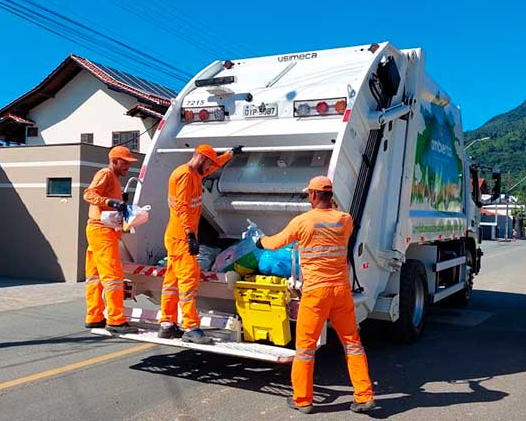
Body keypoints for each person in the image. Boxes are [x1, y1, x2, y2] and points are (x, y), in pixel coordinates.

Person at [256, 176, 375, 414]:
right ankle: (364, 396)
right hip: (340, 291)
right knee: (352, 343)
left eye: (308, 194)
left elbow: (276, 243)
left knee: (305, 347)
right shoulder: (345, 219)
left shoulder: (303, 221)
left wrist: (260, 241)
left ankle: (303, 400)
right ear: (330, 196)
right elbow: (340, 225)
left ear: (312, 195)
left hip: (316, 293)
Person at [158, 144, 242, 344]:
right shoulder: (185, 176)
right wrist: (190, 234)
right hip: (181, 236)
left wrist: (229, 154)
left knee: (172, 282)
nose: (210, 168)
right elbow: (182, 207)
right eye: (209, 164)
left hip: (176, 235)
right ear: (202, 159)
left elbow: (214, 166)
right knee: (188, 281)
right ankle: (190, 327)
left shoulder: (195, 173)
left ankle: (167, 324)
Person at [83, 146, 139, 334]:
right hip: (102, 231)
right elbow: (89, 194)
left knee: (95, 276)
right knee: (113, 276)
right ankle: (116, 321)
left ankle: (94, 316)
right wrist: (111, 202)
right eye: (125, 163)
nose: (128, 167)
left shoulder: (112, 177)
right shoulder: (105, 173)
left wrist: (117, 203)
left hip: (98, 230)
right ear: (114, 161)